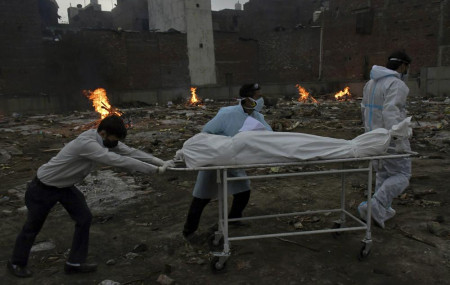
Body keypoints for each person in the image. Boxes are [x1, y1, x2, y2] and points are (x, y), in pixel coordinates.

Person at [7, 115, 174, 278]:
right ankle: (17, 263)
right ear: (103, 134)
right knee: (32, 227)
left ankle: (74, 263)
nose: (116, 143)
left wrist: (159, 161)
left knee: (84, 218)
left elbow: (129, 152)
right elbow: (117, 160)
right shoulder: (87, 144)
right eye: (114, 139)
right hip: (43, 188)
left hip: (65, 187)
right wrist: (154, 170)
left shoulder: (106, 140)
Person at [182, 83, 272, 241]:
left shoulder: (256, 117)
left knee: (243, 191)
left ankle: (234, 219)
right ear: (247, 99)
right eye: (258, 97)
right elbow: (206, 132)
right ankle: (189, 231)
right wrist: (220, 147)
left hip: (234, 161)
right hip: (216, 160)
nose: (261, 100)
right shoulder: (227, 114)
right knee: (202, 196)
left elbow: (270, 136)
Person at [358, 50, 412, 228]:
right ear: (403, 65)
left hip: (373, 138)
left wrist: (368, 136)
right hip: (389, 139)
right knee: (402, 175)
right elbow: (391, 114)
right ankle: (376, 205)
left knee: (383, 174)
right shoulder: (396, 84)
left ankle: (379, 210)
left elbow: (365, 111)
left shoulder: (371, 84)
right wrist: (400, 141)